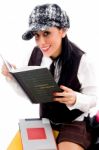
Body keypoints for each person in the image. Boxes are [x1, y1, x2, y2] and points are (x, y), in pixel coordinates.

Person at [2, 3, 98, 150]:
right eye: (37, 36)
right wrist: (13, 79)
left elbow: (94, 99)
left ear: (63, 30)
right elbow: (29, 94)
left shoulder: (82, 60)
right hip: (45, 122)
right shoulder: (32, 56)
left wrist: (76, 99)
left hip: (74, 123)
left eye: (46, 33)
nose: (41, 42)